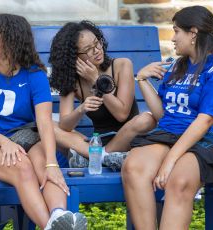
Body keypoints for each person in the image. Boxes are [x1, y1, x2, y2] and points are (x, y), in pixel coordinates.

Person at [122, 5, 213, 229]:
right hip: (171, 133)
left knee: (179, 179)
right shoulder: (177, 65)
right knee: (133, 167)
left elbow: (205, 121)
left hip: (210, 138)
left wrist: (169, 161)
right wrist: (142, 80)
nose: (173, 38)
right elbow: (163, 115)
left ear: (193, 33)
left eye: (177, 31)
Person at [0, 13, 87, 230]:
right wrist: (4, 142)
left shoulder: (34, 74)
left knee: (45, 164)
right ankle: (50, 226)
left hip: (27, 138)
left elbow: (44, 122)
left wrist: (52, 162)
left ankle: (59, 215)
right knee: (22, 166)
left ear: (10, 39)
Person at [48, 20, 156, 170]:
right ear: (74, 57)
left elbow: (122, 114)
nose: (97, 50)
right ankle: (104, 158)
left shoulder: (122, 65)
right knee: (47, 125)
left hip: (126, 138)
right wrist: (81, 109)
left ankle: (99, 157)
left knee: (146, 119)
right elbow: (65, 126)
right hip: (97, 143)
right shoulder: (72, 80)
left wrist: (95, 80)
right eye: (88, 49)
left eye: (97, 43)